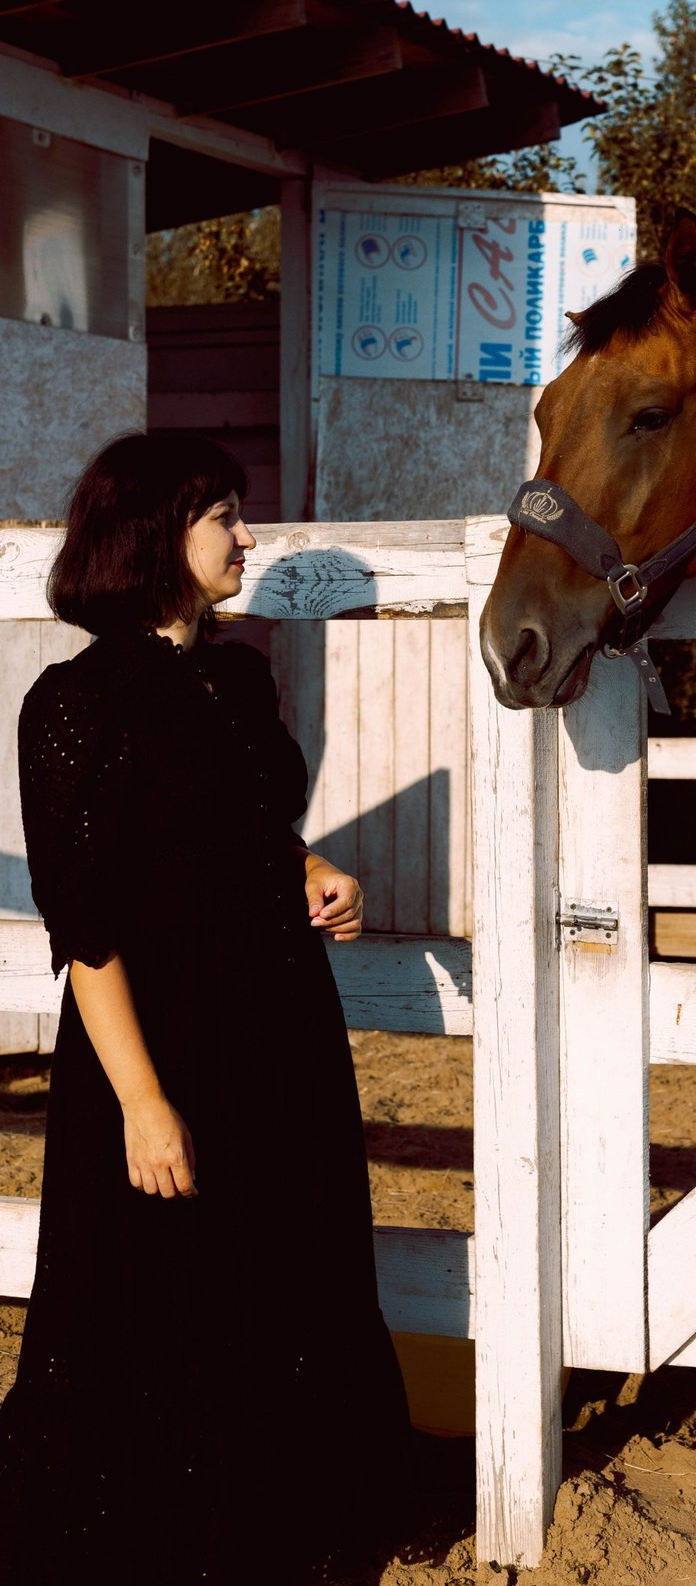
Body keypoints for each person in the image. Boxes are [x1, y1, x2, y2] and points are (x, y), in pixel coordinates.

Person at [0, 433, 411, 1585]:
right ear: (151, 536)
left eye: (239, 512)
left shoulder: (234, 678)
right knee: (171, 1286)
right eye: (222, 514)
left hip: (277, 1026)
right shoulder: (75, 700)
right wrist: (141, 1103)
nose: (244, 535)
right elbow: (84, 923)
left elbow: (236, 831)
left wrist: (309, 870)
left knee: (282, 1265)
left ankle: (281, 1513)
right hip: (163, 1040)